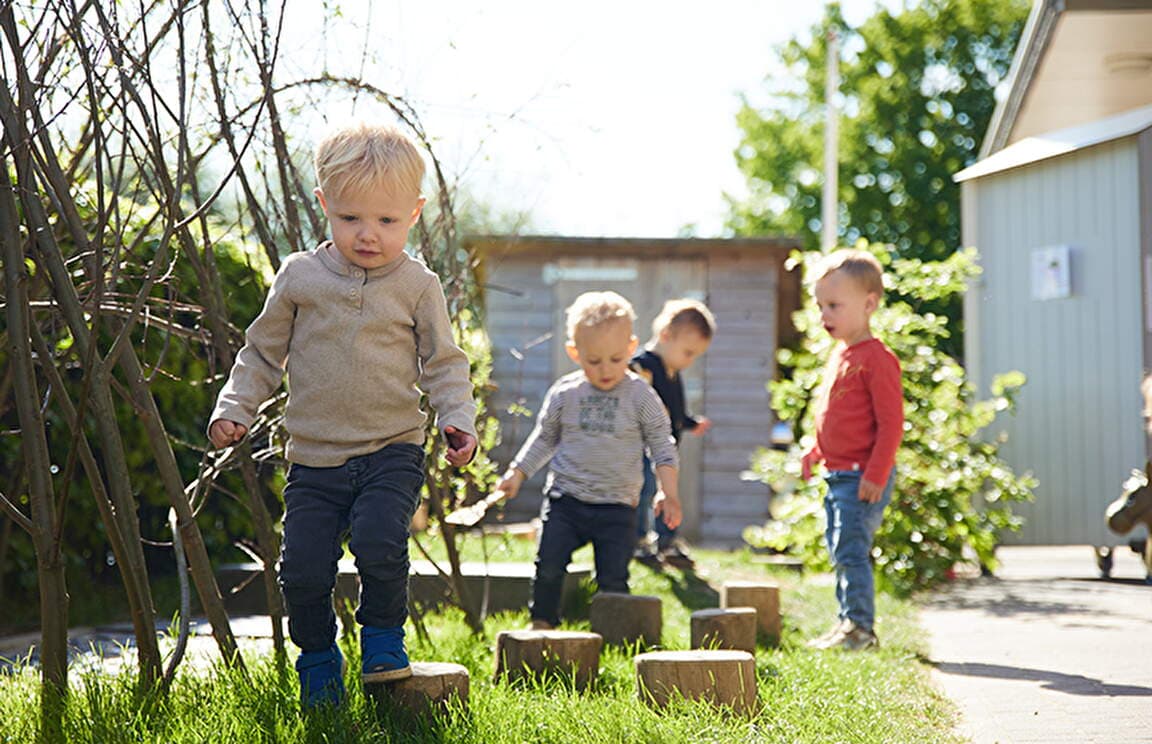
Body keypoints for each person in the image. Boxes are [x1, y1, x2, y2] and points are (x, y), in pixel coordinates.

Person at [207, 122, 477, 707]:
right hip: (314, 456)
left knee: (381, 542)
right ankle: (318, 660)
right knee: (302, 570)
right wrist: (235, 408)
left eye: (387, 220)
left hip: (392, 448)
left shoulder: (417, 284)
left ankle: (382, 638)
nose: (368, 234)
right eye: (351, 217)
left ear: (415, 213)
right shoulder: (300, 277)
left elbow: (444, 362)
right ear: (324, 204)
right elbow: (262, 353)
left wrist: (457, 418)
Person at [495, 291, 682, 629]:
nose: (605, 369)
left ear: (631, 347)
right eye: (593, 361)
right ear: (574, 352)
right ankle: (542, 626)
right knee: (548, 566)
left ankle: (613, 633)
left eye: (616, 359)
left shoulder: (641, 395)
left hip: (617, 505)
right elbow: (544, 438)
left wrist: (667, 491)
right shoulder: (565, 393)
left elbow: (662, 444)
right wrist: (517, 473)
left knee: (613, 577)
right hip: (566, 500)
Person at [801, 249, 903, 651]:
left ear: (869, 304)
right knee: (840, 548)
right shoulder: (840, 354)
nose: (824, 315)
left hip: (862, 476)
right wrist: (815, 449)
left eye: (834, 306)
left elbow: (891, 424)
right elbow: (835, 415)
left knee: (851, 550)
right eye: (820, 306)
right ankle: (848, 622)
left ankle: (861, 628)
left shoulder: (877, 359)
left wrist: (876, 474)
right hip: (838, 473)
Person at [630, 299, 716, 570]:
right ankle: (638, 540)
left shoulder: (672, 370)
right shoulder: (643, 367)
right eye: (688, 353)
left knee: (667, 494)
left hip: (666, 451)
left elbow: (675, 408)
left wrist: (689, 422)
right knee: (644, 491)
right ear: (666, 336)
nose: (690, 361)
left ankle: (667, 541)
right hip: (643, 448)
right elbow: (635, 402)